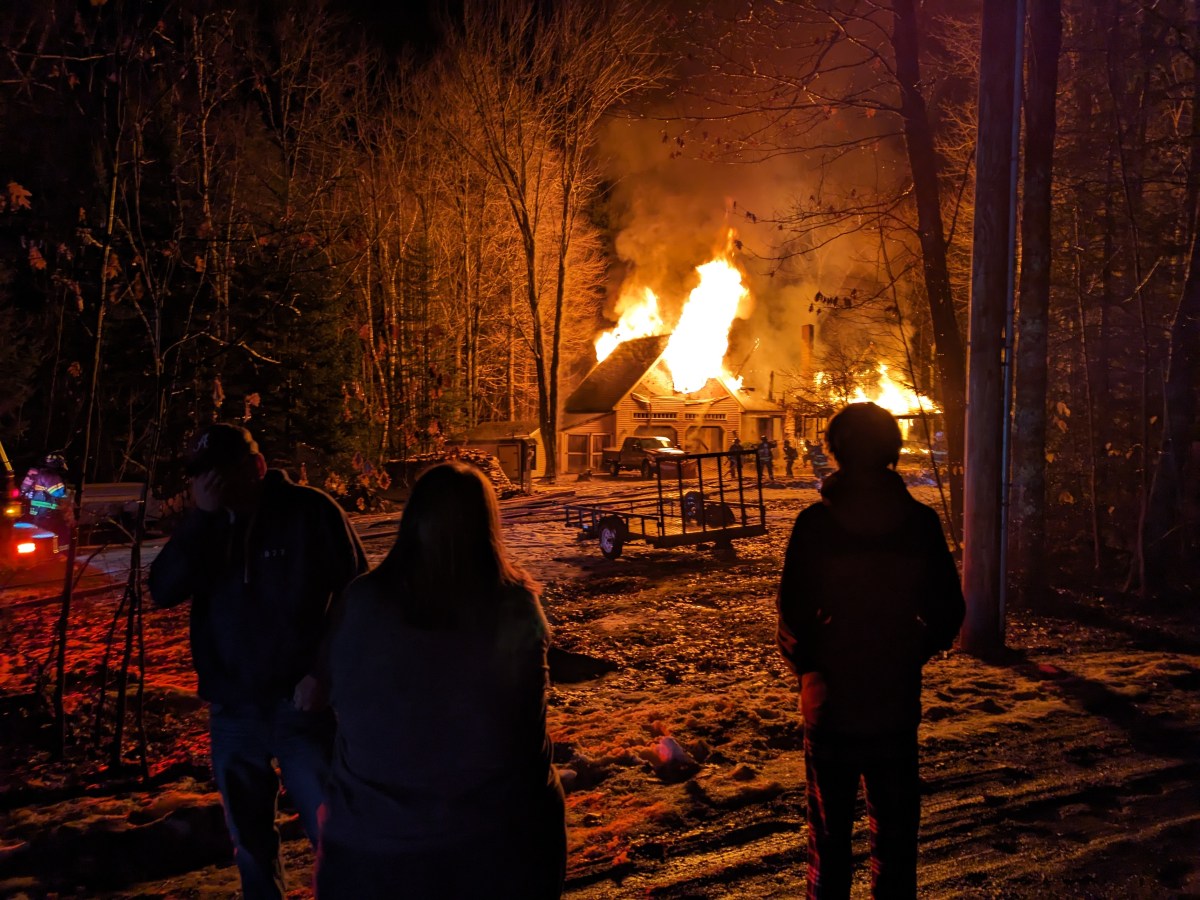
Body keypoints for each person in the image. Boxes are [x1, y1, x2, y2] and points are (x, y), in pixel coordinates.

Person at [317, 462, 566, 900]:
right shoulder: (513, 605)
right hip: (500, 837)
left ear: (412, 519)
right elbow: (521, 727)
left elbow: (342, 695)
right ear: (488, 525)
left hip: (374, 836)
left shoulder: (364, 601)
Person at [148, 423, 366, 900]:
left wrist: (323, 672)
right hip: (233, 708)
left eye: (220, 475)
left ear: (257, 467)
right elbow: (163, 589)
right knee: (249, 842)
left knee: (330, 829)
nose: (210, 486)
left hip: (301, 705)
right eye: (201, 477)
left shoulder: (309, 512)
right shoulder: (207, 527)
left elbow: (355, 594)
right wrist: (201, 521)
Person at [776, 403, 964, 899]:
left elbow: (793, 613)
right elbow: (948, 610)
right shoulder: (919, 524)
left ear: (835, 451)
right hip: (894, 701)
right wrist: (910, 650)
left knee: (829, 837)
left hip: (830, 703)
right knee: (896, 837)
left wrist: (812, 669)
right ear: (892, 451)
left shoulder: (815, 525)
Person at [20, 453, 75, 541]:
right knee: (50, 537)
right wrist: (69, 493)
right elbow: (58, 493)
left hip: (37, 512)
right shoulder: (51, 476)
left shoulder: (39, 473)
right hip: (47, 514)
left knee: (38, 535)